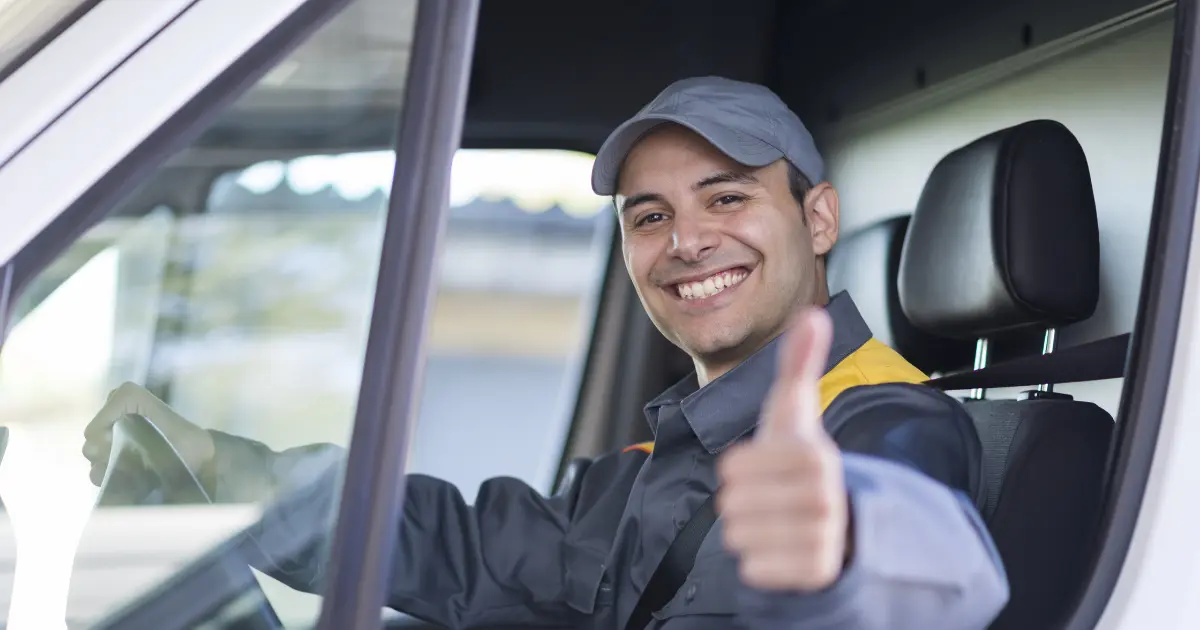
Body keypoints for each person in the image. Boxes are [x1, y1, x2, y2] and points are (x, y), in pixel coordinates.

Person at [83, 76, 1008, 629]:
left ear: (819, 219)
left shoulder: (884, 422)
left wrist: (843, 551)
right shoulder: (655, 463)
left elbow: (907, 550)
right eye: (650, 217)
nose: (686, 241)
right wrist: (223, 467)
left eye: (726, 198)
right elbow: (461, 550)